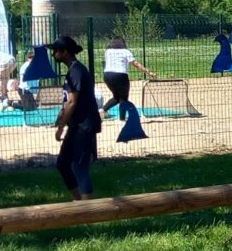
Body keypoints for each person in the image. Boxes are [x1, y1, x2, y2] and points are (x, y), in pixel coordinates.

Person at [49, 36, 102, 201]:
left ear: (65, 51)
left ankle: (89, 210)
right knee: (63, 164)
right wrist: (62, 117)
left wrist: (60, 127)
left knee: (79, 167)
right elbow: (68, 101)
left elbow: (72, 102)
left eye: (55, 51)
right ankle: (79, 202)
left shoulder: (77, 71)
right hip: (76, 126)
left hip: (84, 126)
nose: (53, 54)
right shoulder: (72, 70)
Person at [100, 37, 156, 120]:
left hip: (107, 75)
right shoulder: (125, 51)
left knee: (117, 97)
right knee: (123, 98)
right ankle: (122, 119)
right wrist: (148, 72)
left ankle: (102, 110)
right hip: (121, 75)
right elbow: (135, 64)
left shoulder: (108, 51)